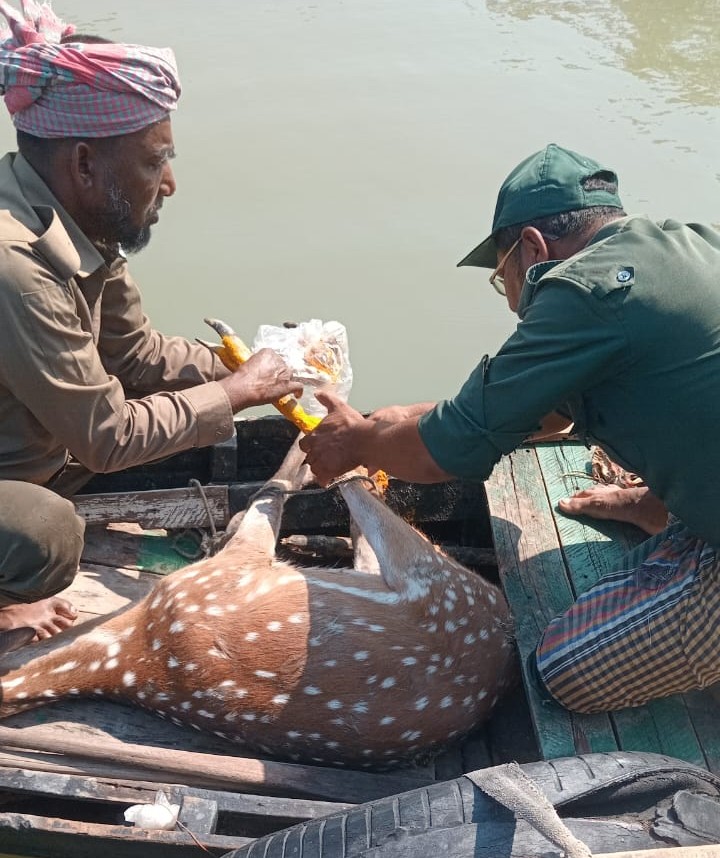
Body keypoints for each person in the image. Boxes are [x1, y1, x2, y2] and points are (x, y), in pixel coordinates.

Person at [300, 142, 720, 714]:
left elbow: (446, 451)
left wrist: (357, 442)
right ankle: (659, 504)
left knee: (564, 671)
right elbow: (544, 411)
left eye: (503, 279)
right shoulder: (694, 242)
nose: (511, 301)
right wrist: (397, 422)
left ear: (531, 248)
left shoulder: (580, 291)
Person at [0, 1, 301, 639]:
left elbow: (134, 357)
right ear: (84, 164)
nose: (168, 183)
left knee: (90, 452)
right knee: (45, 534)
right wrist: (237, 393)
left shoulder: (73, 221)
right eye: (152, 161)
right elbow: (107, 436)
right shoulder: (16, 267)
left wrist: (251, 366)